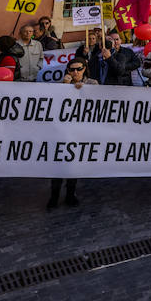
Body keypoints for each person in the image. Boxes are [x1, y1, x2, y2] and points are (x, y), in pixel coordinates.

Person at [48, 59, 96, 209]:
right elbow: (54, 104)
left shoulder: (93, 83)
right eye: (72, 69)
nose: (75, 72)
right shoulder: (61, 84)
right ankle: (53, 196)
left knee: (73, 165)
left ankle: (70, 194)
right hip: (62, 131)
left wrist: (83, 91)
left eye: (79, 69)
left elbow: (96, 104)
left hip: (80, 131)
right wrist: (65, 87)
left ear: (84, 69)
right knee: (57, 165)